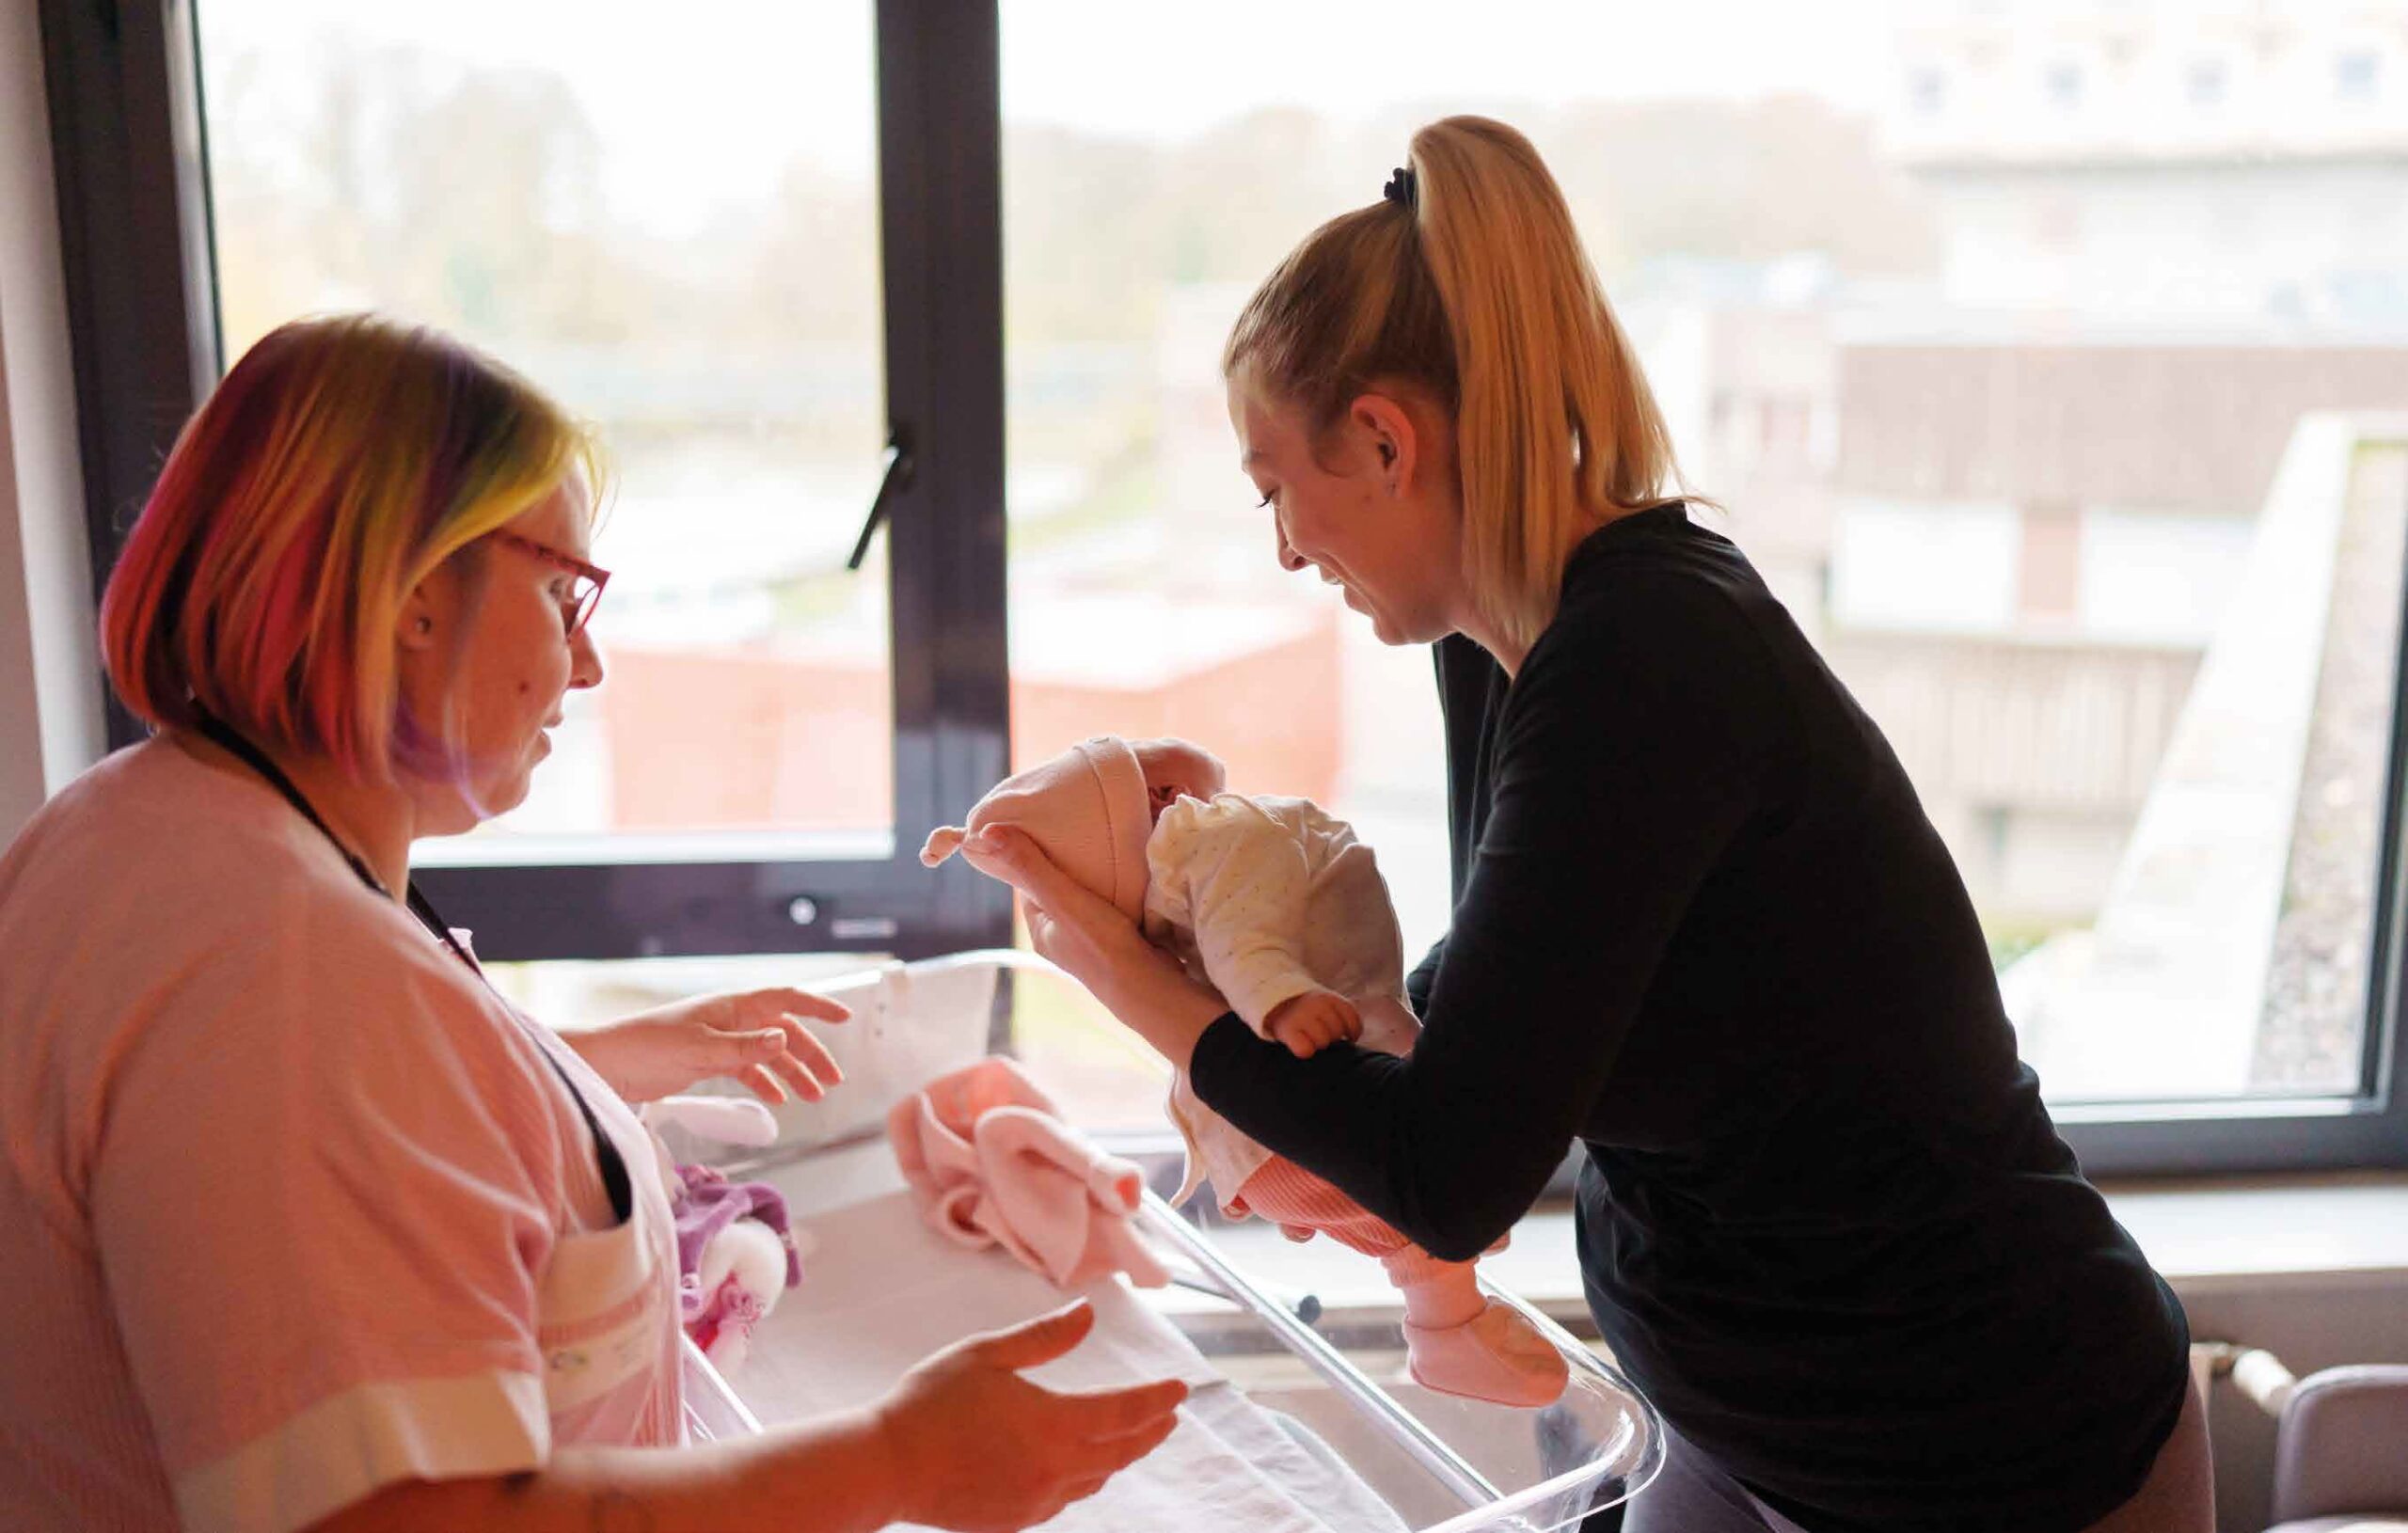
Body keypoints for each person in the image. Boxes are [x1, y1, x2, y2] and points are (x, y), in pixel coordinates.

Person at [953, 118, 2215, 1533]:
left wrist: (1107, 963)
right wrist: (1275, 1011)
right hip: (1736, 1422)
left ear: (1384, 439)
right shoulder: (1499, 649)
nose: (1288, 547)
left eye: (1275, 489)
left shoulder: (1646, 657)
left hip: (1984, 1450)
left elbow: (1451, 1171)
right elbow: (1492, 1030)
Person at [0, 314, 1184, 1533]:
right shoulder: (288, 978)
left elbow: (347, 1161)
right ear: (412, 596)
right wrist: (895, 1461)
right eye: (564, 593)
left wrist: (583, 1067)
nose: (588, 663)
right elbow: (402, 1515)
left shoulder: (132, 830)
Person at [923, 734, 1565, 1406]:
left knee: (1402, 1233)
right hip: (1289, 1112)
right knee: (1423, 1233)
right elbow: (1245, 934)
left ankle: (1447, 1323)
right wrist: (1280, 999)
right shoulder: (1219, 829)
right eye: (1134, 752)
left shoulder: (1172, 911)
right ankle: (1449, 1333)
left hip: (1251, 1141)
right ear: (1161, 795)